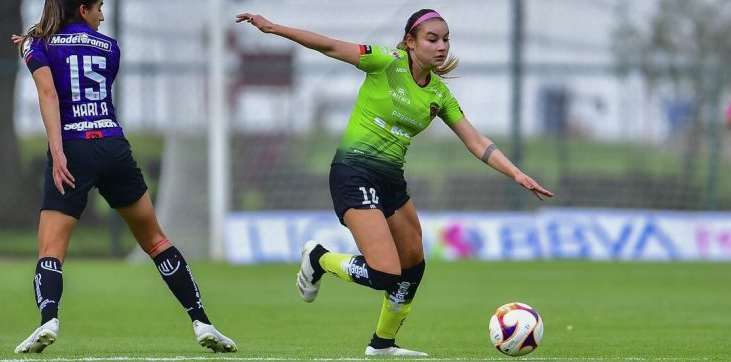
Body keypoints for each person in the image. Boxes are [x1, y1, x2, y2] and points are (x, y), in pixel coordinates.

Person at [236, 9, 553, 357]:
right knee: (385, 273)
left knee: (413, 264)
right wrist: (273, 28)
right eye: (432, 39)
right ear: (410, 42)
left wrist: (517, 174)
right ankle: (319, 258)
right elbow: (328, 46)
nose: (441, 46)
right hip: (353, 171)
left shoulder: (439, 94)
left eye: (445, 39)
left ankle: (382, 345)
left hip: (391, 180)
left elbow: (476, 141)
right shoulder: (386, 61)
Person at [11, 0, 236, 354]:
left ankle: (48, 320)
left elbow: (50, 92)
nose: (102, 15)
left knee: (50, 250)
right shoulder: (111, 48)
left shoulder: (37, 44)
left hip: (73, 147)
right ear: (82, 9)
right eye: (99, 7)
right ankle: (202, 320)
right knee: (156, 240)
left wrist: (56, 151)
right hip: (114, 146)